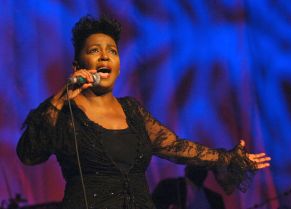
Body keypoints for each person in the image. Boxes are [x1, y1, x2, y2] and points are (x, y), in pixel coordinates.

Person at [16, 15, 271, 209]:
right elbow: (29, 154)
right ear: (77, 65)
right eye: (95, 51)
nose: (105, 56)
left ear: (118, 65)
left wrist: (228, 158)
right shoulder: (64, 113)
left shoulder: (133, 111)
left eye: (112, 51)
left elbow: (178, 148)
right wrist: (63, 95)